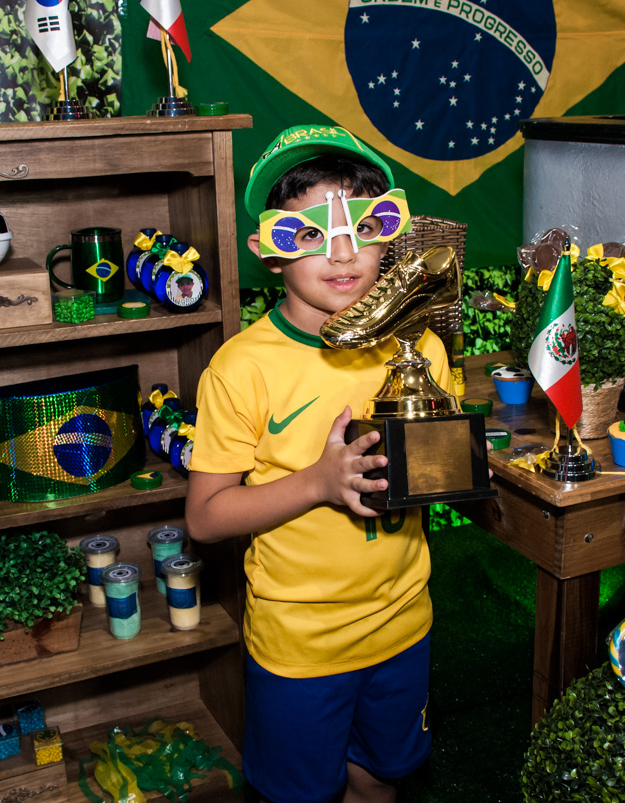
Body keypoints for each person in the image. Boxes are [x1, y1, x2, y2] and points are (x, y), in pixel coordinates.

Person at [185, 125, 456, 803]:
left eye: (364, 228)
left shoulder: (419, 346)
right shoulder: (240, 368)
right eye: (307, 234)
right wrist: (318, 482)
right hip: (298, 646)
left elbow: (431, 474)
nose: (342, 254)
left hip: (403, 624)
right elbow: (207, 517)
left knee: (379, 778)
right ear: (268, 254)